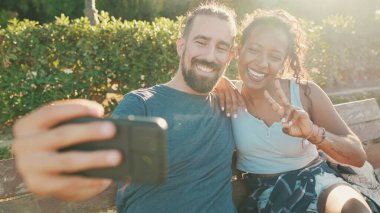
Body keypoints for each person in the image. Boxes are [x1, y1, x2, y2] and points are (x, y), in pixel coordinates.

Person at [12, 3, 240, 212]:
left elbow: (266, 81)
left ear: (229, 58)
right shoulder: (142, 104)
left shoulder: (230, 103)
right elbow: (94, 164)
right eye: (201, 42)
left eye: (221, 48)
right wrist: (53, 160)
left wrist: (226, 82)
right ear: (181, 46)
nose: (210, 56)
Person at [215, 9, 376, 213]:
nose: (262, 62)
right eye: (254, 49)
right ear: (239, 50)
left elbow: (357, 156)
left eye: (274, 56)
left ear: (283, 63)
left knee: (353, 208)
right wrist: (216, 81)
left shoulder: (305, 93)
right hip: (268, 195)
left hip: (319, 181)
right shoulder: (227, 95)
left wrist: (313, 133)